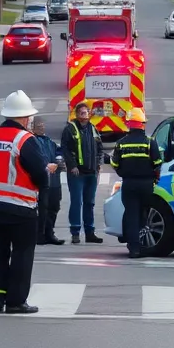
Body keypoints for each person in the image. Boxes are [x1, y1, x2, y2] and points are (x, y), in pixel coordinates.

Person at [0, 90, 57, 314]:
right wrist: (39, 186)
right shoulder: (25, 139)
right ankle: (16, 301)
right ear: (26, 117)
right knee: (22, 253)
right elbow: (39, 173)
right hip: (21, 207)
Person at [110, 107, 163, 258]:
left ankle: (134, 248)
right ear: (142, 124)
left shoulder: (121, 144)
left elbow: (115, 164)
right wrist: (155, 177)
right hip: (147, 185)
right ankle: (145, 244)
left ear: (129, 124)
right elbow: (158, 163)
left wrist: (123, 173)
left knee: (131, 215)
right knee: (144, 214)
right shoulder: (150, 143)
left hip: (129, 184)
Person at [61, 101, 103, 244]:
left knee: (89, 203)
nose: (84, 116)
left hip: (91, 172)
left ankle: (90, 232)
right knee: (76, 202)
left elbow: (99, 148)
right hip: (77, 173)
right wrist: (72, 166)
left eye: (86, 112)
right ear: (77, 115)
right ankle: (75, 232)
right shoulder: (70, 130)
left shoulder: (93, 129)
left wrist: (98, 165)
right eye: (82, 113)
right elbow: (65, 149)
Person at [30, 116, 66, 246]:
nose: (41, 127)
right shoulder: (32, 141)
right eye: (38, 125)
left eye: (42, 125)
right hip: (42, 181)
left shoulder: (49, 141)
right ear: (32, 127)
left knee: (54, 207)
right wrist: (46, 165)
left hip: (54, 180)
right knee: (42, 209)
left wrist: (58, 160)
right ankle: (40, 235)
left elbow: (59, 151)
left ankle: (50, 233)